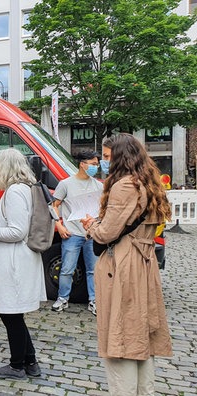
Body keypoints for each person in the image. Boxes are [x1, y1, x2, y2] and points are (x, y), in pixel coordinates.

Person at [81, 133, 172, 395]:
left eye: (107, 157)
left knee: (119, 336)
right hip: (144, 262)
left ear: (120, 157)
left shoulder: (124, 186)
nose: (103, 163)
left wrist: (91, 225)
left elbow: (107, 232)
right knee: (140, 331)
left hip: (123, 263)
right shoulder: (148, 182)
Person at [0, 148, 46, 379]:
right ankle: (30, 362)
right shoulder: (25, 189)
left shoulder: (14, 192)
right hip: (18, 261)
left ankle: (16, 366)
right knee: (14, 315)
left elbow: (17, 231)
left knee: (10, 315)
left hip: (14, 263)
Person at [51, 150, 103, 315]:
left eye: (97, 164)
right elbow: (54, 205)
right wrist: (59, 225)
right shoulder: (66, 184)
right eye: (93, 164)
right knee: (67, 268)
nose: (96, 167)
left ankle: (94, 300)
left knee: (93, 270)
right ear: (82, 164)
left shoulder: (99, 186)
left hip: (92, 234)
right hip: (72, 234)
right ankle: (62, 298)